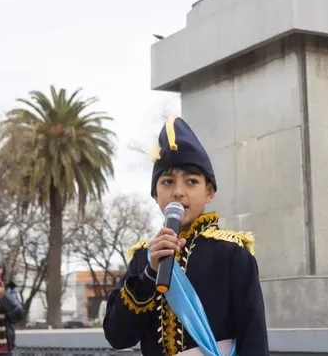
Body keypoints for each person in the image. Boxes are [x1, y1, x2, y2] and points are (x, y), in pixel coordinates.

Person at [103, 116, 268, 356]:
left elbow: (253, 336)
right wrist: (149, 274)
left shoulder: (231, 252)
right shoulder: (144, 257)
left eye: (191, 182)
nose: (178, 192)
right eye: (167, 182)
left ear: (209, 192)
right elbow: (118, 336)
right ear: (155, 194)